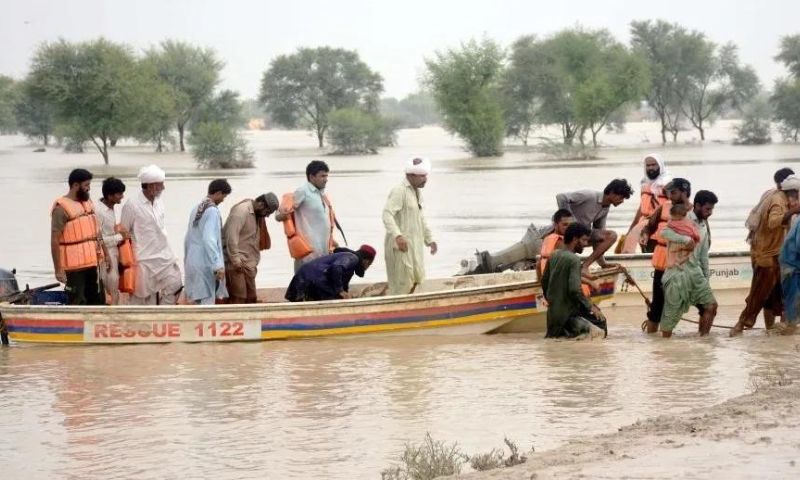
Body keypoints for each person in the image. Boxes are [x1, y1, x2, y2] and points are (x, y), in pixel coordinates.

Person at [732, 174, 800, 335]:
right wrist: (793, 211)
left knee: (776, 294)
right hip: (768, 256)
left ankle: (777, 329)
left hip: (770, 253)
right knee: (759, 294)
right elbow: (773, 222)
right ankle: (740, 325)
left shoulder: (773, 195)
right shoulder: (779, 202)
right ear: (793, 192)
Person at [659, 190, 719, 337]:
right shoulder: (682, 218)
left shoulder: (703, 225)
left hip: (695, 273)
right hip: (677, 273)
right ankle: (663, 350)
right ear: (697, 205)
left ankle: (703, 342)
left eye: (712, 209)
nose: (710, 213)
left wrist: (706, 278)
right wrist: (685, 240)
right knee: (670, 316)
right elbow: (664, 232)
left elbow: (704, 255)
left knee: (711, 306)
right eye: (707, 209)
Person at [120, 165, 183, 305]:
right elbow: (123, 233)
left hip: (164, 256)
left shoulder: (159, 202)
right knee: (140, 297)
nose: (164, 188)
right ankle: (140, 323)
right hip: (143, 259)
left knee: (175, 284)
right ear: (151, 186)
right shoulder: (132, 205)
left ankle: (163, 313)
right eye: (161, 185)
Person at [642, 178, 692, 333]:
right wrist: (644, 235)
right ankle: (653, 336)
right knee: (657, 303)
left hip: (681, 263)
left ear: (684, 193)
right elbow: (649, 226)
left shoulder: (693, 211)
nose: (670, 195)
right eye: (669, 192)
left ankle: (667, 339)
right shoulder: (663, 207)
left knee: (675, 302)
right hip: (662, 260)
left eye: (674, 192)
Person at [541, 222, 608, 338]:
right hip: (568, 314)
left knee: (555, 341)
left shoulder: (554, 255)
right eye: (584, 240)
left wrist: (553, 302)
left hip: (553, 313)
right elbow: (574, 290)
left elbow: (544, 281)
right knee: (601, 324)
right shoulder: (574, 260)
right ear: (575, 239)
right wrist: (590, 306)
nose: (585, 244)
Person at [50, 168, 107, 305]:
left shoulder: (88, 203)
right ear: (75, 185)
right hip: (74, 269)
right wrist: (58, 270)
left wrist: (107, 255)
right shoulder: (61, 209)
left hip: (93, 264)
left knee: (98, 300)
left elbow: (97, 233)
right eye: (86, 185)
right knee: (78, 301)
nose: (89, 189)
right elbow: (54, 240)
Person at [382, 157, 438, 295]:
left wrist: (430, 240)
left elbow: (421, 218)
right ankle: (396, 311)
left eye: (426, 175)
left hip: (415, 244)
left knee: (417, 277)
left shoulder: (417, 192)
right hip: (400, 246)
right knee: (402, 281)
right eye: (422, 176)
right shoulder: (399, 191)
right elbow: (387, 215)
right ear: (410, 176)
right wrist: (398, 236)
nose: (425, 179)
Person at [555, 178, 633, 272]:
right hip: (566, 235)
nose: (622, 201)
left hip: (581, 236)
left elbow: (600, 240)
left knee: (611, 236)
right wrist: (572, 222)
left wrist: (603, 264)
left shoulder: (605, 208)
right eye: (621, 197)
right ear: (612, 193)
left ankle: (584, 266)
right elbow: (561, 197)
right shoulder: (589, 195)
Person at [276, 160, 338, 272]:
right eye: (322, 176)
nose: (326, 179)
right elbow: (279, 214)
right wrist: (282, 215)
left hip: (323, 251)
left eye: (326, 176)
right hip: (307, 252)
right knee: (304, 284)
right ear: (312, 177)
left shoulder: (322, 194)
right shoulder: (303, 192)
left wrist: (332, 241)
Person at [223, 193, 280, 304]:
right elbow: (231, 238)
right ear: (261, 204)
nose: (267, 216)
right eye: (267, 212)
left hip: (249, 263)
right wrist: (235, 260)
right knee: (239, 298)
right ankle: (236, 319)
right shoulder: (241, 212)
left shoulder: (257, 215)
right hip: (236, 262)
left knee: (251, 298)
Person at [184, 179, 232, 305]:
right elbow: (209, 239)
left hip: (193, 260)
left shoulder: (196, 208)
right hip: (206, 263)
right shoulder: (212, 211)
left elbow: (188, 238)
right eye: (224, 196)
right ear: (218, 193)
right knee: (207, 302)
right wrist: (217, 265)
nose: (223, 200)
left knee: (197, 300)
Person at [285, 245, 377, 302]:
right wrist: (340, 291)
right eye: (370, 264)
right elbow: (337, 267)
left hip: (304, 278)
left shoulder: (348, 262)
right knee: (335, 295)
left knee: (337, 296)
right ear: (366, 261)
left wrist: (345, 294)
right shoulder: (353, 258)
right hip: (310, 281)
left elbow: (342, 283)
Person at [623, 153, 672, 253]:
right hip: (643, 226)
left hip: (659, 225)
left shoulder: (667, 183)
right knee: (646, 252)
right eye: (648, 165)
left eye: (654, 165)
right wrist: (632, 228)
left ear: (660, 165)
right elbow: (642, 208)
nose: (651, 168)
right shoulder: (645, 183)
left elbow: (674, 206)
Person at [96, 177, 128, 305]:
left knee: (114, 287)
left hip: (113, 253)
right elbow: (98, 239)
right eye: (119, 194)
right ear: (110, 196)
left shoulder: (111, 208)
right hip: (105, 256)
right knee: (110, 287)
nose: (122, 197)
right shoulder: (99, 212)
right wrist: (120, 237)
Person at [745, 168, 794, 245]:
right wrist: (793, 211)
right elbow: (773, 222)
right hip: (770, 249)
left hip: (759, 243)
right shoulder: (779, 199)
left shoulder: (769, 193)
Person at [537, 209, 574, 279]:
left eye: (571, 225)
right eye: (565, 225)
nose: (569, 228)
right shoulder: (560, 240)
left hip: (546, 276)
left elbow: (539, 263)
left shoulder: (547, 238)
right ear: (555, 225)